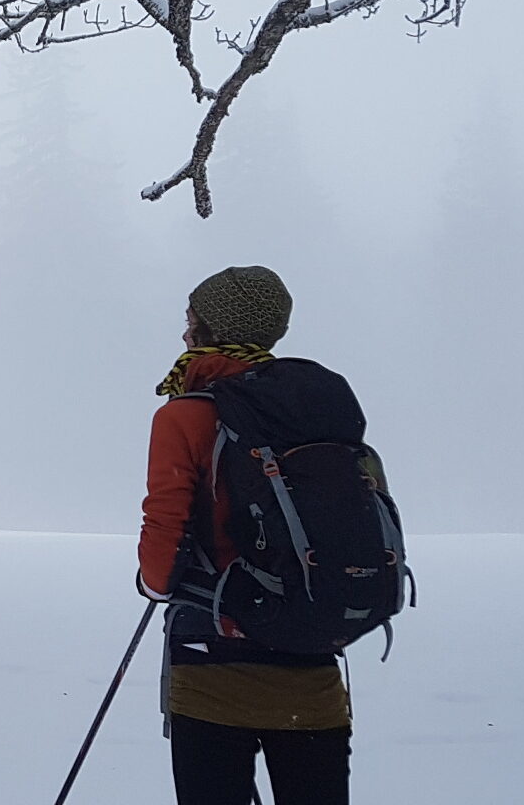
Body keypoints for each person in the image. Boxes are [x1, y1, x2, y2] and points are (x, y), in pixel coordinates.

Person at [138, 265, 352, 805]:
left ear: (213, 328)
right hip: (313, 657)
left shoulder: (186, 414)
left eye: (191, 319)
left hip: (213, 665)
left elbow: (161, 553)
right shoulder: (318, 406)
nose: (184, 331)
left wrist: (152, 582)